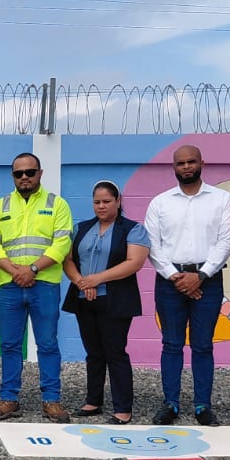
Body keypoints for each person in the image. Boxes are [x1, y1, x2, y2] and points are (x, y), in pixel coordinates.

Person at [144, 144, 230, 426]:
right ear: (174, 167)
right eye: (181, 163)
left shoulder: (221, 200)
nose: (186, 167)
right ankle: (170, 404)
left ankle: (202, 406)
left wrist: (202, 275)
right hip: (169, 282)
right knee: (171, 344)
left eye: (191, 162)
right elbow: (152, 244)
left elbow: (226, 240)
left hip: (207, 282)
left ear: (202, 163)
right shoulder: (160, 203)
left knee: (203, 345)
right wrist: (176, 276)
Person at [0, 153, 74, 424]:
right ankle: (9, 399)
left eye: (29, 172)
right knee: (10, 344)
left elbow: (61, 244)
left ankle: (51, 400)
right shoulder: (1, 206)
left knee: (47, 344)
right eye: (18, 173)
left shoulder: (56, 205)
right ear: (12, 176)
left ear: (40, 173)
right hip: (10, 285)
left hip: (44, 284)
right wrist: (15, 271)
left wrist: (32, 270)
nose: (24, 177)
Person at [61, 180, 149, 424]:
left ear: (118, 202)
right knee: (93, 352)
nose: (101, 206)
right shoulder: (81, 228)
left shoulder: (133, 229)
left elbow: (134, 262)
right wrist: (81, 282)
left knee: (115, 352)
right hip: (84, 298)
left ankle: (123, 407)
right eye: (97, 202)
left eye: (107, 201)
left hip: (116, 299)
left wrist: (96, 280)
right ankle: (93, 400)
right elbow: (67, 260)